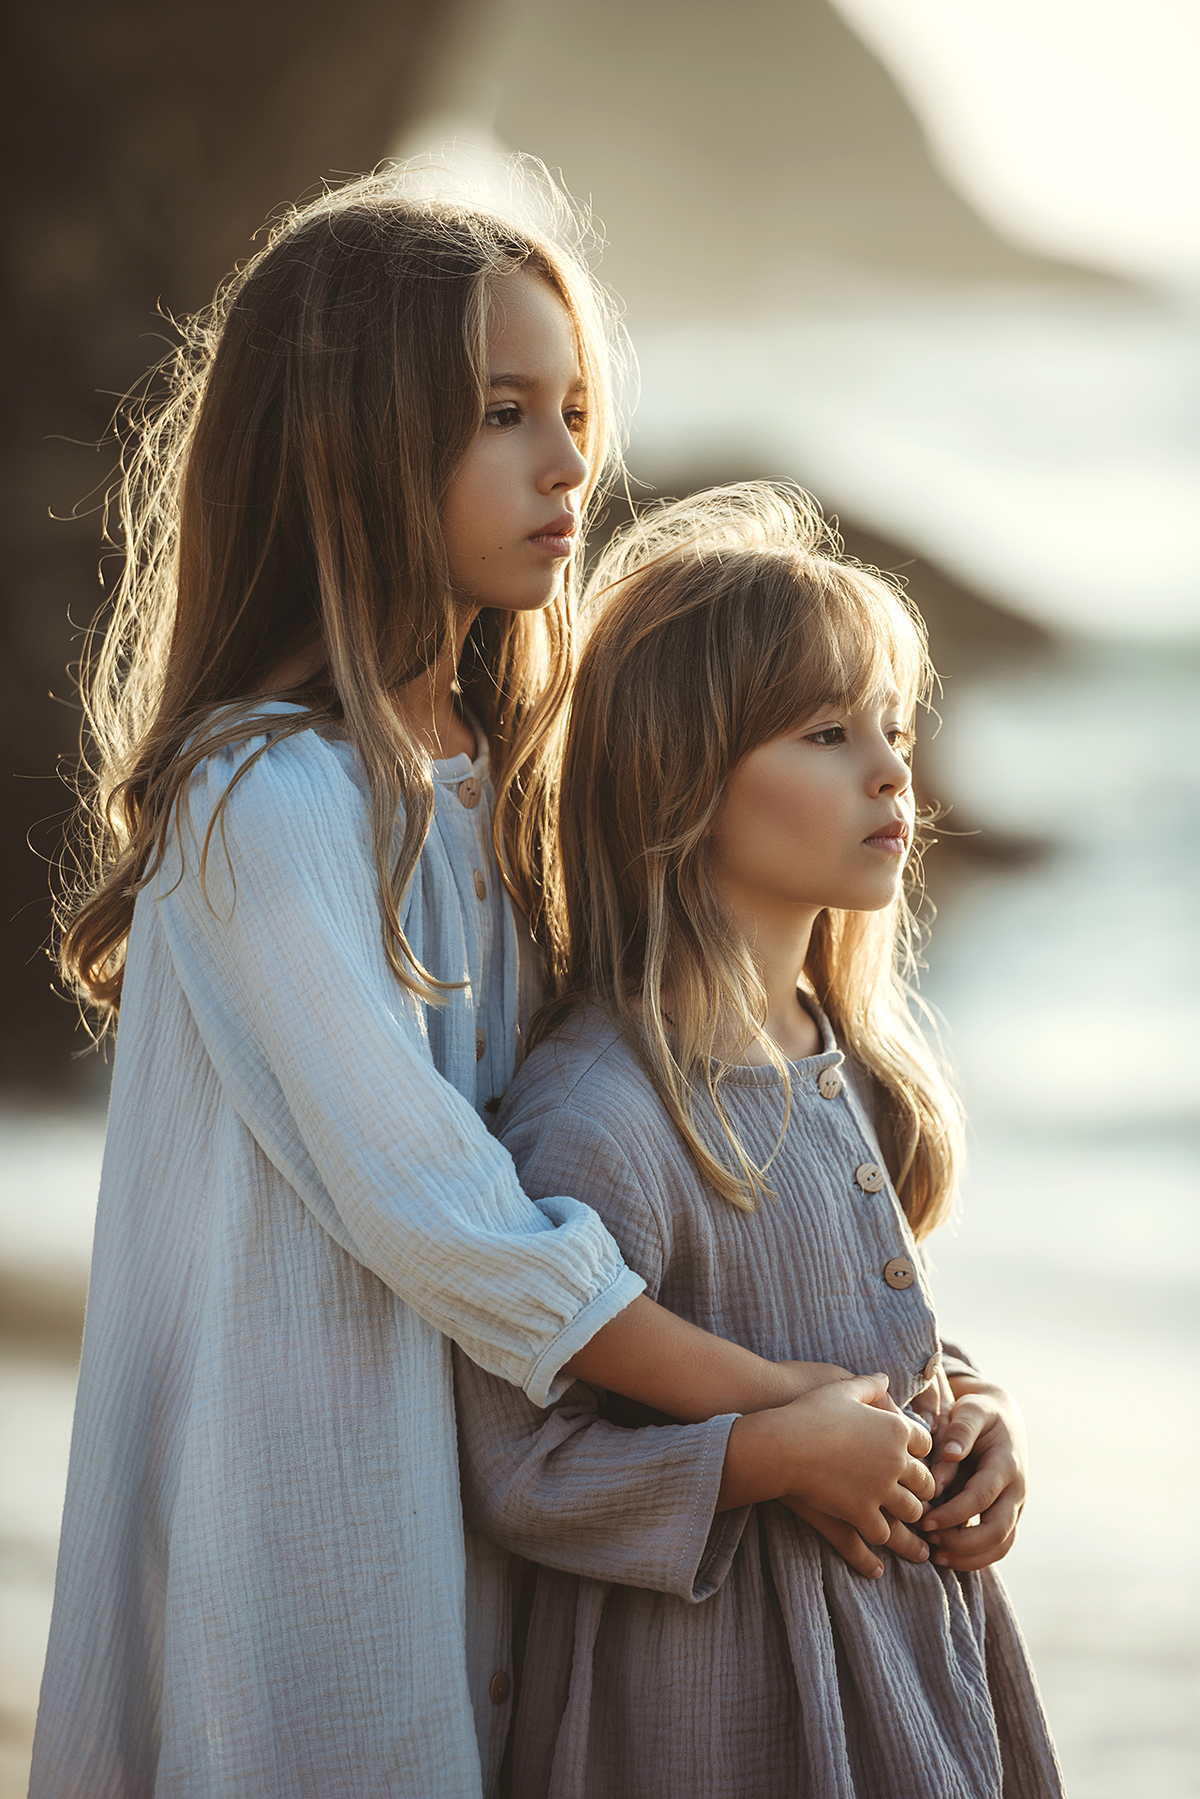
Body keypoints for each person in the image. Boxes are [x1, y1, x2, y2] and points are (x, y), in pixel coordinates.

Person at [30, 177, 943, 1799]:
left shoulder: (502, 787)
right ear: (351, 445)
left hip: (496, 1519)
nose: (569, 462)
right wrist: (786, 1409)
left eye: (576, 411)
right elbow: (449, 1211)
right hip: (304, 1519)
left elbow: (646, 1172)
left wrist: (915, 1405)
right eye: (505, 415)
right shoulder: (265, 802)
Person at [453, 482, 1064, 1798]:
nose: (893, 770)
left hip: (902, 1662)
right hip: (715, 1704)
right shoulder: (600, 1115)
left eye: (893, 729)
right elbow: (517, 1470)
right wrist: (764, 1456)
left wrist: (973, 1415)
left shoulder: (845, 1064)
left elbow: (860, 1335)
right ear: (683, 776)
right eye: (830, 733)